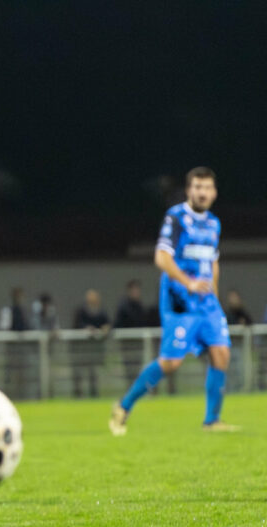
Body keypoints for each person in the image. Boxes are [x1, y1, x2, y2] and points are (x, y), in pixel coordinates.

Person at [110, 167, 236, 435]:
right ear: (189, 190)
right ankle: (123, 406)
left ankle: (212, 420)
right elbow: (162, 258)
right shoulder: (176, 217)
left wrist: (213, 288)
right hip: (180, 301)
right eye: (197, 187)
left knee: (221, 353)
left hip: (207, 303)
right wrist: (188, 282)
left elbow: (212, 260)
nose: (202, 192)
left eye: (207, 188)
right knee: (171, 362)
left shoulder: (214, 223)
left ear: (214, 192)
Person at [71, 289, 110, 398]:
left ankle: (94, 393)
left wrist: (106, 328)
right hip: (81, 348)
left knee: (93, 373)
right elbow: (77, 324)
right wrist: (86, 329)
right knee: (79, 372)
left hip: (95, 348)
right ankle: (78, 394)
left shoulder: (101, 311)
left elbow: (107, 323)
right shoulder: (81, 311)